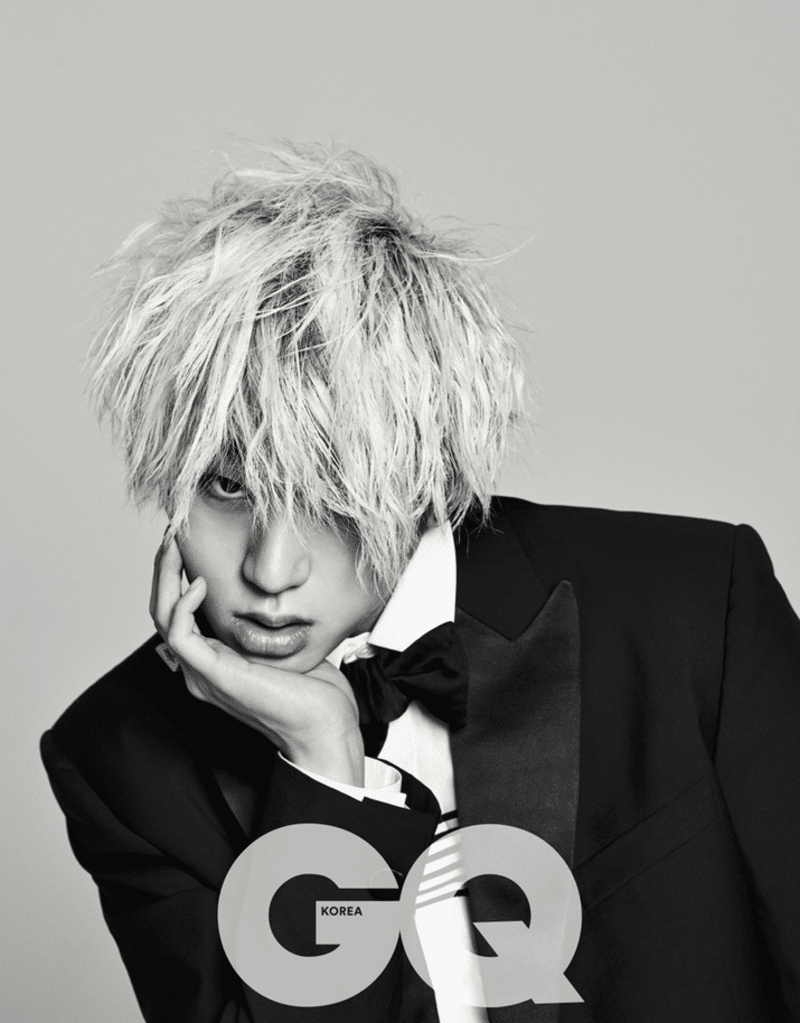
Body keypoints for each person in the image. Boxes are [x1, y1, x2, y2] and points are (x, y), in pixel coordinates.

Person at [41, 144, 800, 1023]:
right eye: (228, 486)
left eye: (332, 493)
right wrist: (325, 776)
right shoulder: (123, 757)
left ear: (423, 464)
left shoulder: (693, 611)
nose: (270, 570)